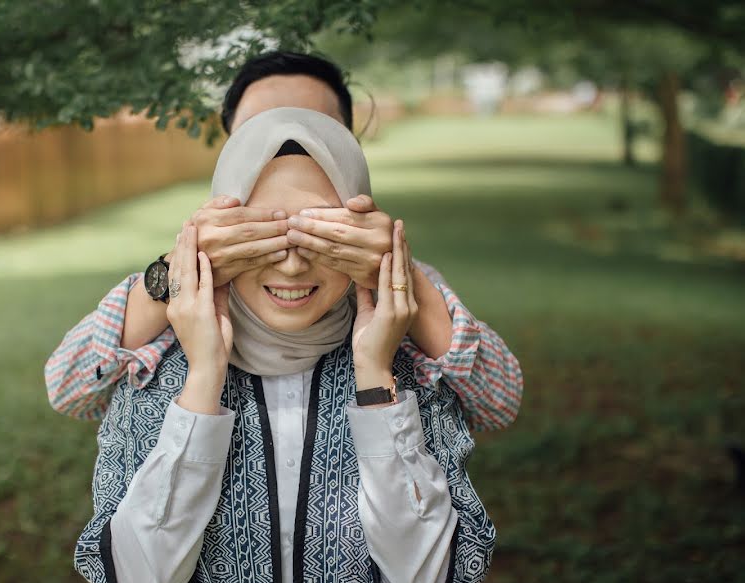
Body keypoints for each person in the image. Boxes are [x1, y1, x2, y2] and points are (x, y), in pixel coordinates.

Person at [74, 107, 495, 583]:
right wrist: (204, 378)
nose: (293, 264)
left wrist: (376, 379)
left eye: (322, 235)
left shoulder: (410, 367)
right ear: (220, 238)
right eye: (263, 236)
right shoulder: (159, 368)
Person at [44, 51, 523, 433]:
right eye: (262, 131)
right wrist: (179, 269)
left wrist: (396, 272)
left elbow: (500, 405)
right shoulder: (181, 297)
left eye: (316, 131)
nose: (289, 140)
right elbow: (69, 389)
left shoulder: (403, 297)